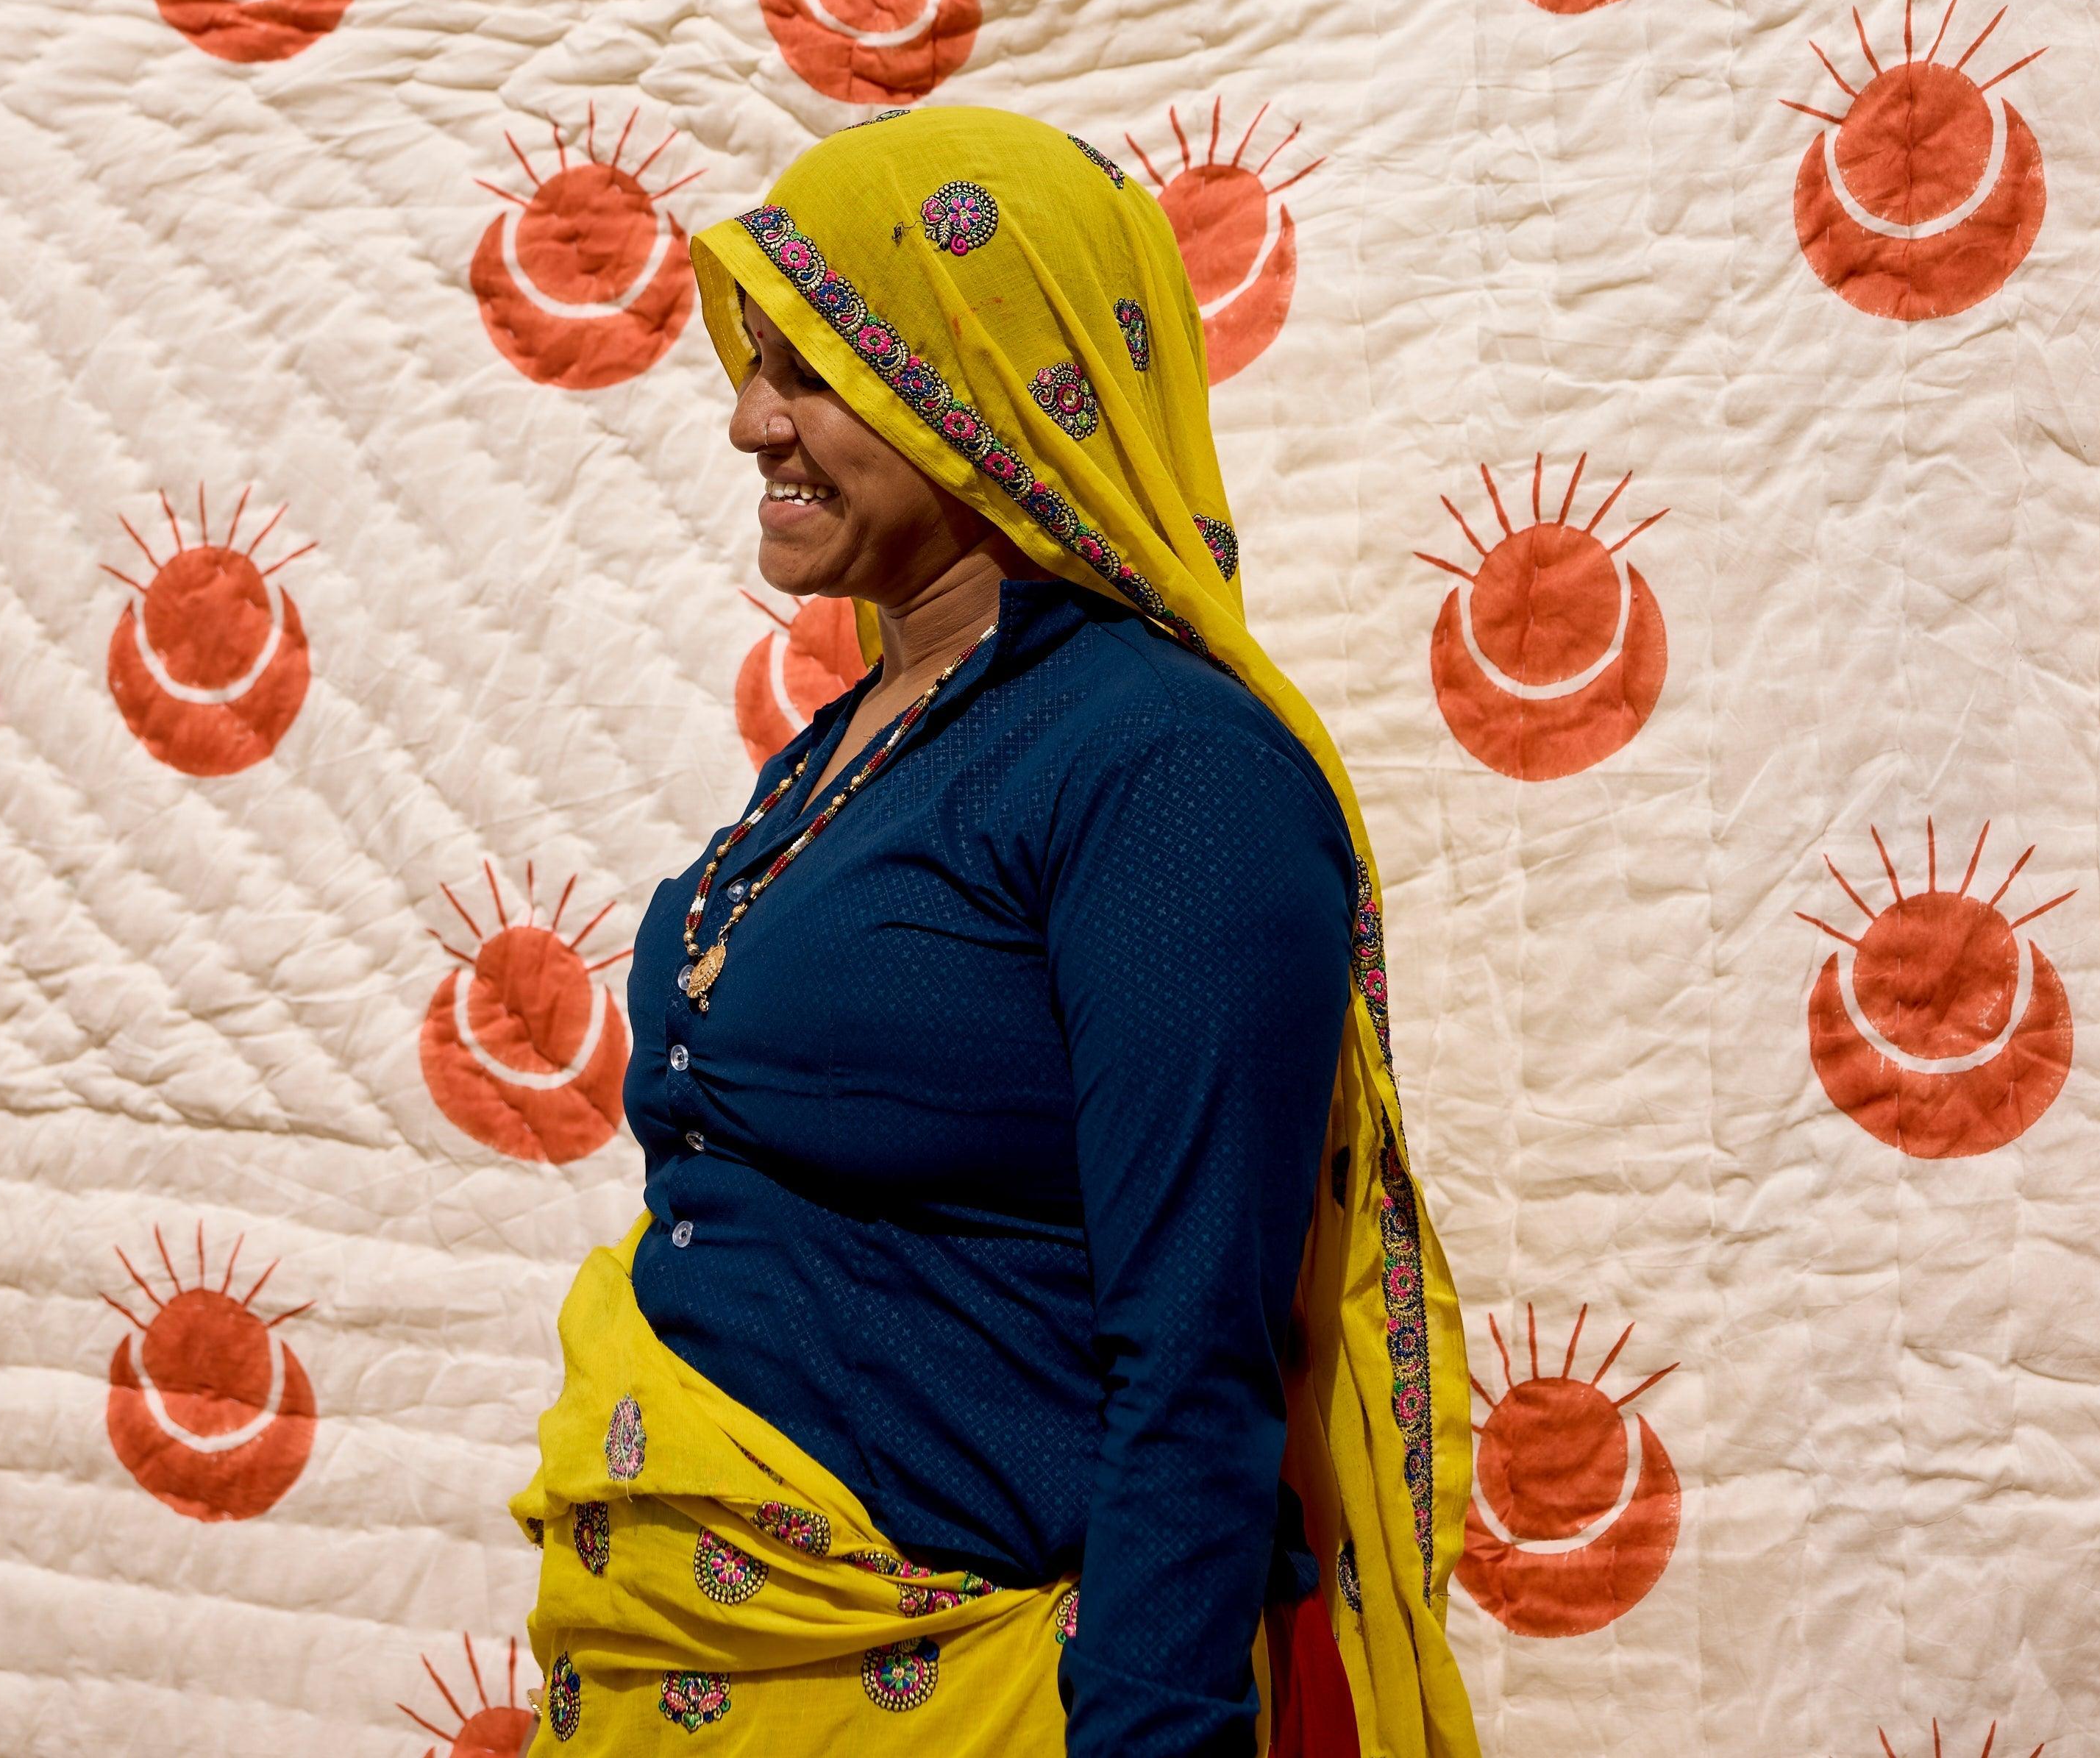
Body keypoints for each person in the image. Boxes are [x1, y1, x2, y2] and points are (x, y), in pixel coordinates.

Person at [513, 107, 1476, 1757]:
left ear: (980, 382)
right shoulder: (855, 740)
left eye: (813, 368)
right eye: (757, 363)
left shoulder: (1165, 769)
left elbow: (1197, 1351)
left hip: (962, 1692)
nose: (750, 419)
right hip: (678, 1674)